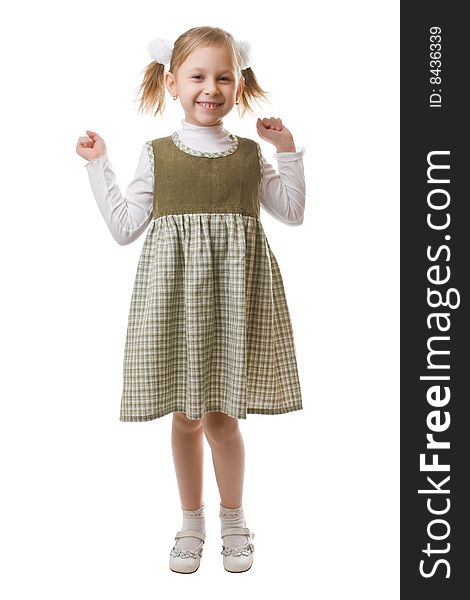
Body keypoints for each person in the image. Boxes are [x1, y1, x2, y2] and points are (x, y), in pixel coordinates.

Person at [76, 25, 306, 575]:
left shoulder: (250, 155)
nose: (211, 88)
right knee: (184, 417)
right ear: (172, 82)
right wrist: (97, 164)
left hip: (234, 304)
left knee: (224, 419)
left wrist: (287, 150)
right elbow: (125, 227)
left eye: (224, 77)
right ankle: (190, 521)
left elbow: (294, 212)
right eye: (198, 76)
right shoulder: (157, 154)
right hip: (175, 303)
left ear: (238, 84)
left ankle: (234, 518)